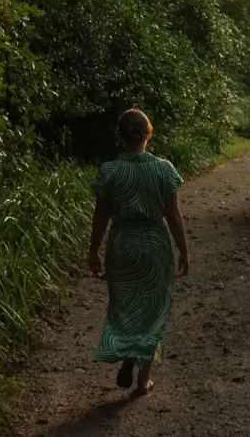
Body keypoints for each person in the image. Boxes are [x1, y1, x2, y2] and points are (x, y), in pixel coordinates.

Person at [88, 108, 190, 396]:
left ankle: (127, 350)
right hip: (155, 246)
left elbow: (100, 217)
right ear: (149, 134)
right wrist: (184, 250)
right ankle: (142, 380)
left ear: (119, 136)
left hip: (122, 246)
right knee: (154, 310)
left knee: (124, 307)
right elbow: (174, 215)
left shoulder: (109, 171)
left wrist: (93, 251)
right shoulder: (164, 169)